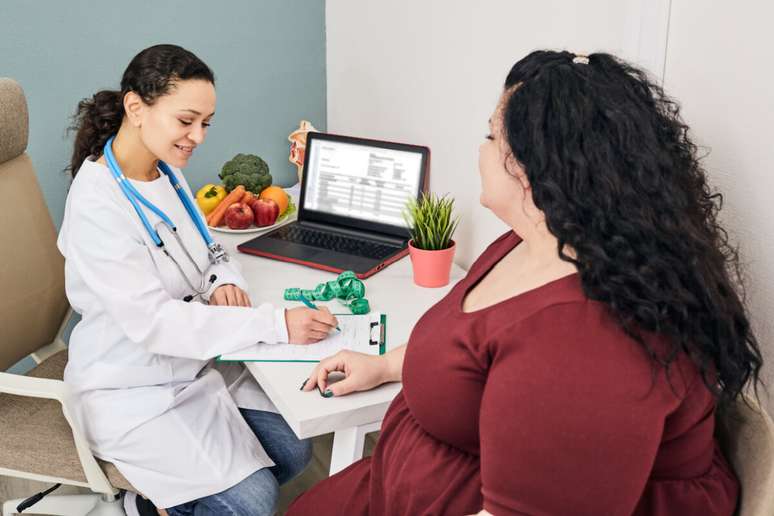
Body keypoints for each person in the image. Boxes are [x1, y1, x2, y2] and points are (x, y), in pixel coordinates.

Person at [289, 50, 764, 515]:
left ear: (536, 169)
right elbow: (470, 346)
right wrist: (386, 365)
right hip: (403, 482)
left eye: (491, 136)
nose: (481, 150)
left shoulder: (585, 342)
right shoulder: (531, 239)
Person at [59, 44, 338, 515]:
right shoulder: (97, 205)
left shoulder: (165, 171)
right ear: (136, 108)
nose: (198, 137)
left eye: (206, 123)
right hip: (129, 387)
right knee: (253, 502)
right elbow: (156, 323)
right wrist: (276, 324)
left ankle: (162, 503)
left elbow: (208, 247)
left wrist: (221, 279)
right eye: (186, 121)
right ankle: (141, 506)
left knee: (293, 450)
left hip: (193, 366)